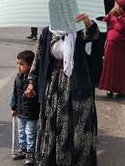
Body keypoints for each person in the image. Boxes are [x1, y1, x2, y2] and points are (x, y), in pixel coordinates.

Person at [26, 13, 99, 165]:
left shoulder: (77, 32)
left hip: (76, 84)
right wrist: (31, 82)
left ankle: (73, 160)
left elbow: (93, 36)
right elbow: (38, 60)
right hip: (52, 85)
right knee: (52, 122)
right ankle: (51, 158)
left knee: (74, 123)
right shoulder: (47, 33)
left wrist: (87, 22)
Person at [99, 0, 125, 98]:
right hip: (111, 47)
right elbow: (103, 23)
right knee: (110, 68)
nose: (116, 7)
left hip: (123, 48)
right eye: (115, 5)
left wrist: (120, 17)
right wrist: (108, 15)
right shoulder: (112, 14)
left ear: (123, 7)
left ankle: (121, 91)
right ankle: (109, 88)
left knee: (122, 70)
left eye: (118, 5)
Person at [10, 50, 40, 165]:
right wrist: (13, 108)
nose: (19, 66)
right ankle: (23, 149)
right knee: (21, 131)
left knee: (30, 133)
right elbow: (14, 94)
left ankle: (30, 152)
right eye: (18, 63)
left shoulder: (34, 81)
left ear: (30, 65)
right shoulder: (18, 78)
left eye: (22, 64)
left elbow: (37, 95)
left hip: (32, 113)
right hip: (21, 111)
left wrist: (33, 93)